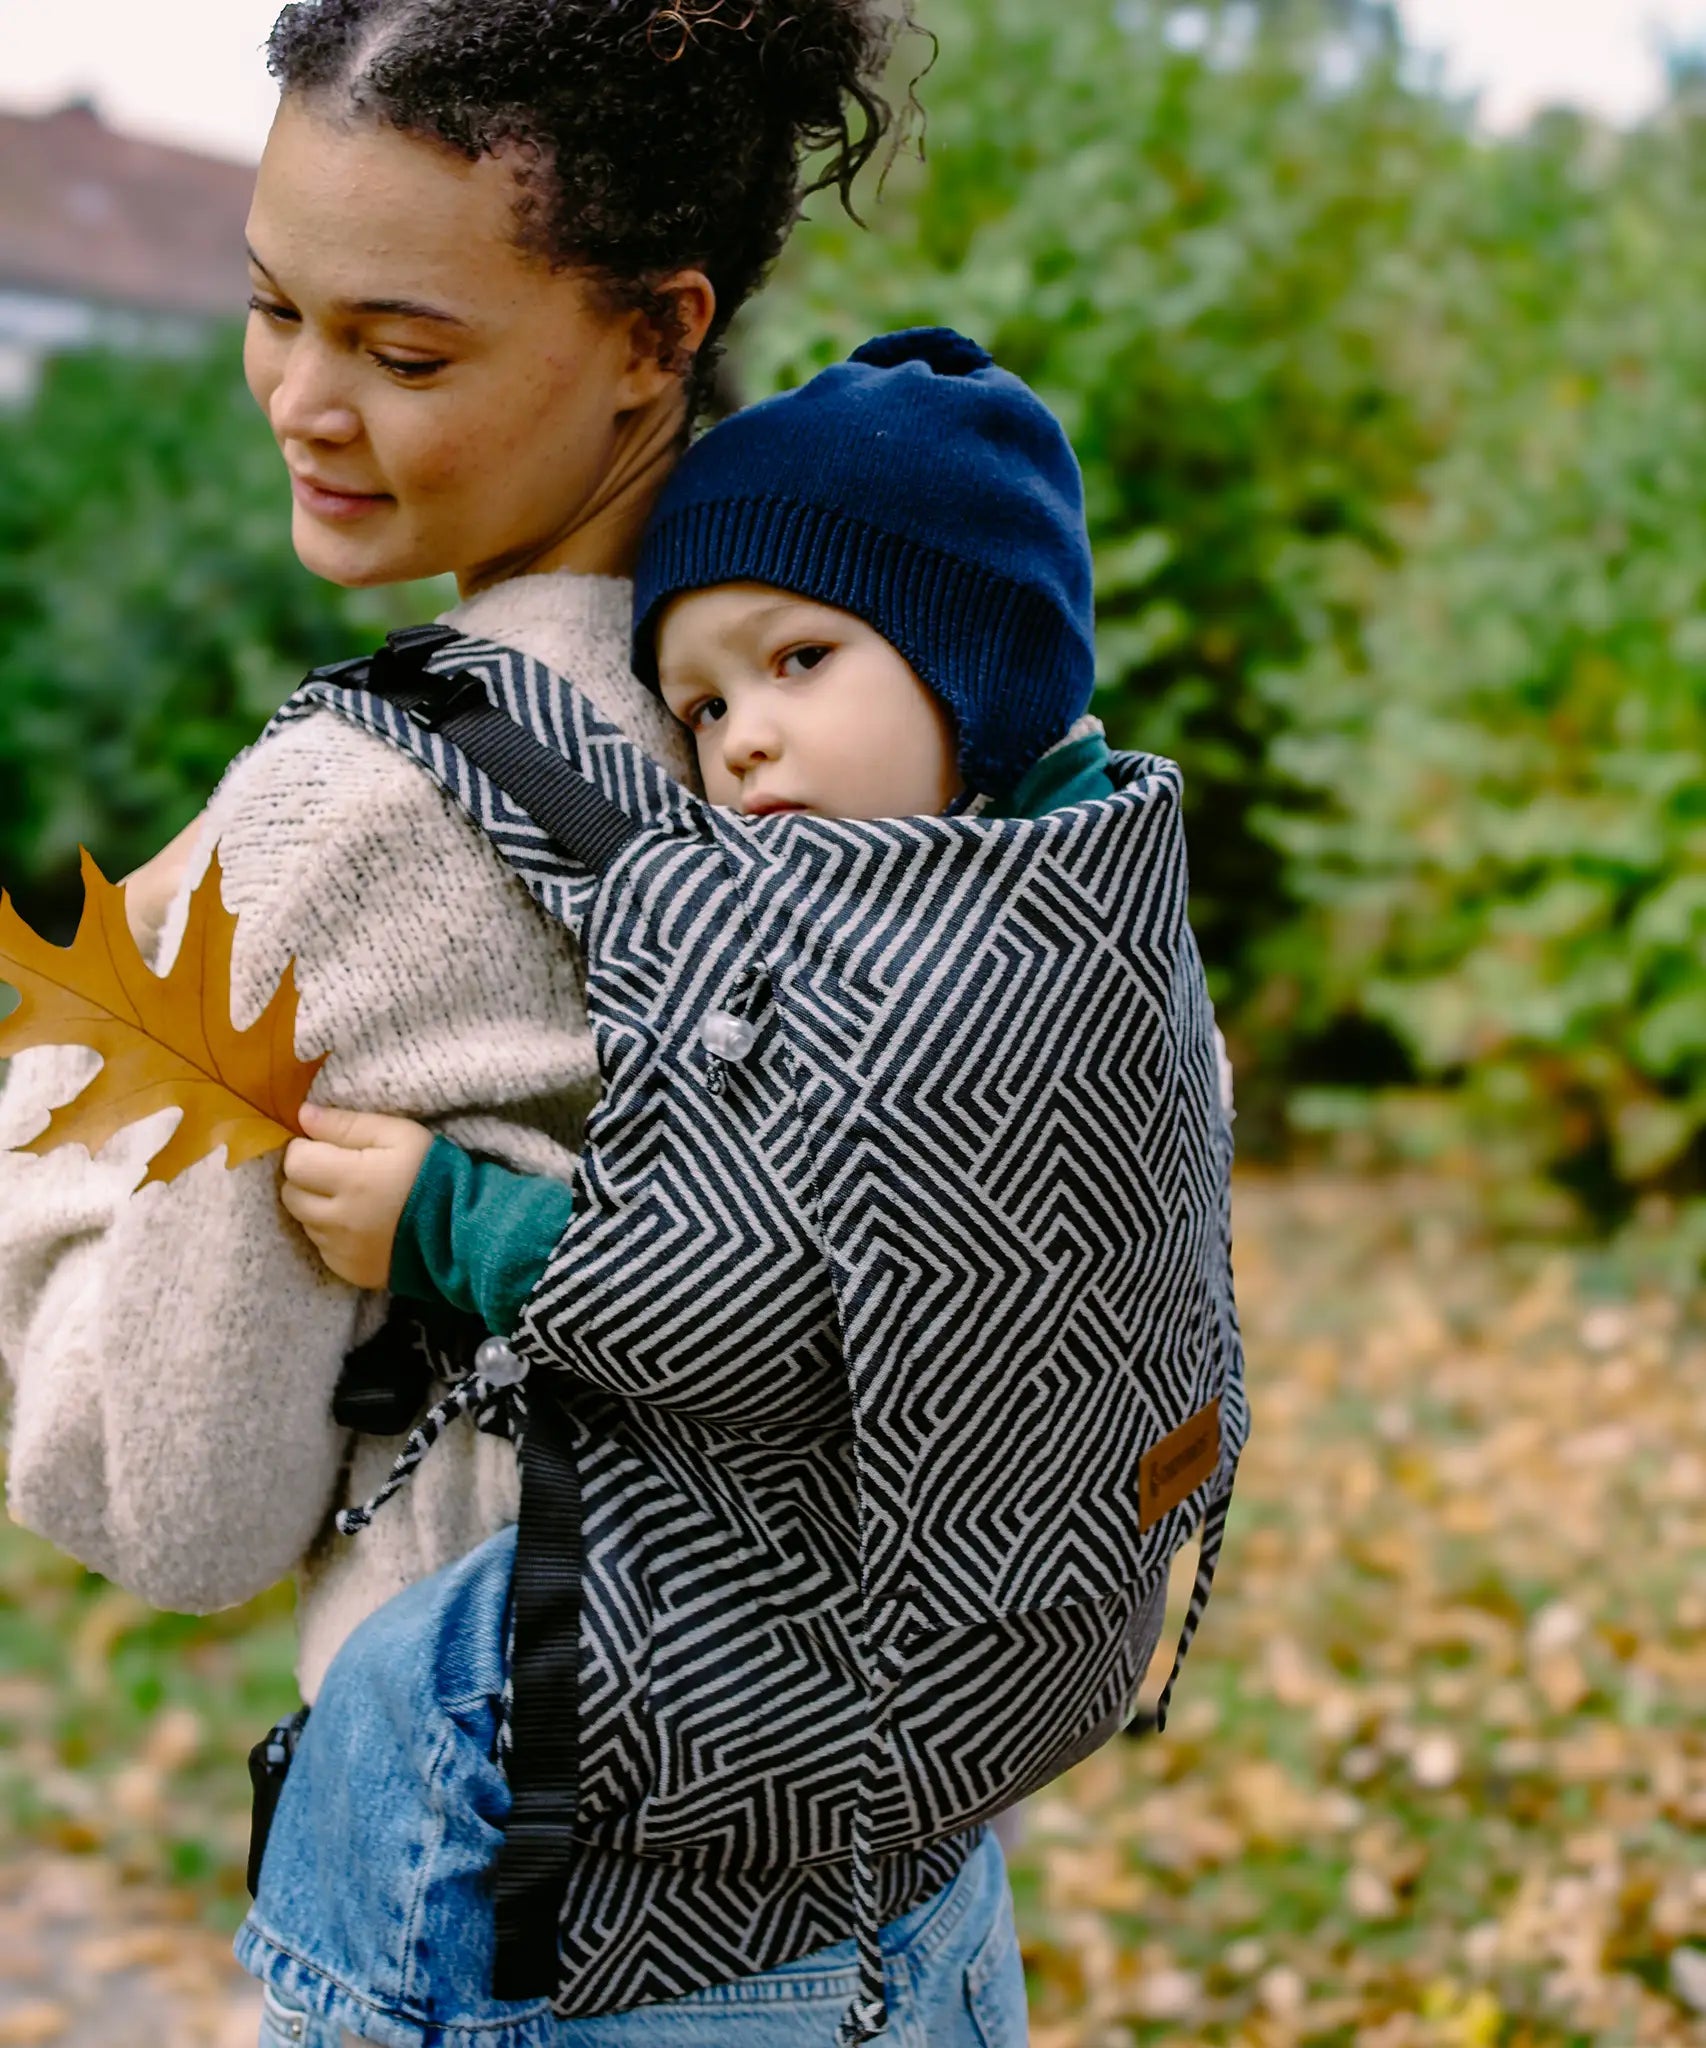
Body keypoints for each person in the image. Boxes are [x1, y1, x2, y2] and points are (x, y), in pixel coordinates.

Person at [0, 7, 1066, 2047]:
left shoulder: (357, 813)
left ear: (659, 333)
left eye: (404, 353)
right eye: (266, 309)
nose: (304, 400)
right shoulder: (884, 693)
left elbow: (168, 1499)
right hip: (902, 1884)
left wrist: (61, 1127)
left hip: (541, 1920)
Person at [248, 330, 1165, 2048]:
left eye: (798, 659)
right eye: (703, 707)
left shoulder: (953, 984)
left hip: (706, 1795)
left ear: (980, 661)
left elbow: (760, 1308)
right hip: (944, 1793)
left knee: (420, 1701)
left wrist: (447, 1221)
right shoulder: (1100, 895)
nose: (740, 742)